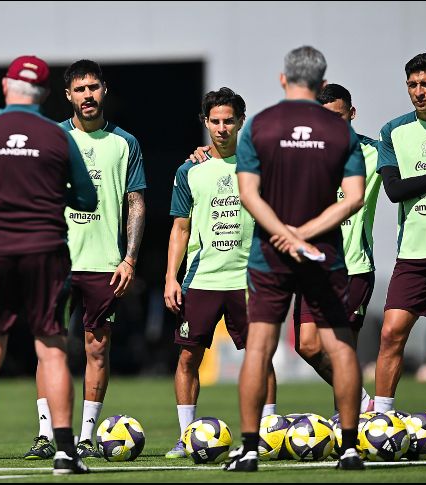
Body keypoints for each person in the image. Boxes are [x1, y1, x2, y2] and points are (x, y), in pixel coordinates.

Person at [0, 55, 97, 477]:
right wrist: (46, 192)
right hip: (47, 254)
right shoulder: (57, 136)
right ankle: (66, 452)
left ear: (5, 84)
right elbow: (87, 200)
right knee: (51, 350)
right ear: (46, 94)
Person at [223, 46, 366, 472]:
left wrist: (284, 232)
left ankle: (249, 449)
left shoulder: (262, 126)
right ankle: (350, 448)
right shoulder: (341, 131)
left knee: (259, 349)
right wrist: (306, 233)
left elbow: (248, 194)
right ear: (322, 85)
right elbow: (354, 197)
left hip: (270, 255)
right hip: (325, 253)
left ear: (283, 80)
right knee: (340, 348)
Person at [24, 59, 147, 461]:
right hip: (57, 263)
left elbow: (136, 202)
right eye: (80, 89)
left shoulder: (125, 142)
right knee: (50, 348)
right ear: (68, 95)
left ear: (104, 90)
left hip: (104, 264)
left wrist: (129, 259)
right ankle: (46, 434)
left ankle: (86, 436)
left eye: (93, 87)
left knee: (97, 349)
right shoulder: (50, 138)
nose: (87, 95)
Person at [163, 87, 277, 459]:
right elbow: (180, 228)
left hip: (248, 281)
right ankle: (186, 436)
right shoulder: (190, 169)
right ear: (205, 123)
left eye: (229, 120)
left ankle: (268, 432)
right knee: (187, 359)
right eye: (215, 121)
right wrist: (170, 277)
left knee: (259, 357)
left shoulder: (258, 165)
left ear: (241, 121)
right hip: (202, 281)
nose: (222, 127)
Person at [373, 53, 426, 415]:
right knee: (391, 333)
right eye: (412, 85)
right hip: (413, 251)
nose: (419, 92)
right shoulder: (393, 131)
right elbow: (394, 190)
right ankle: (381, 417)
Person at [292, 84, 381, 412]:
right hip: (312, 267)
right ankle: (361, 403)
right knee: (308, 346)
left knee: (342, 348)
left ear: (352, 114)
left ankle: (352, 419)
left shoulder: (374, 152)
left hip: (352, 267)